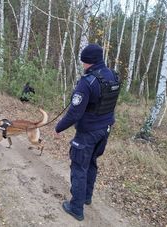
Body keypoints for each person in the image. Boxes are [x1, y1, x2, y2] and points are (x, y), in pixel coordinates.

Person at [55, 43, 120, 221]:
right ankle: (86, 197)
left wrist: (58, 128)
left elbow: (74, 113)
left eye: (83, 61)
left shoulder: (87, 81)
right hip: (105, 130)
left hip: (88, 133)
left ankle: (76, 208)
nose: (82, 65)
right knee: (91, 163)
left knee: (79, 167)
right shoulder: (113, 76)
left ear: (88, 61)